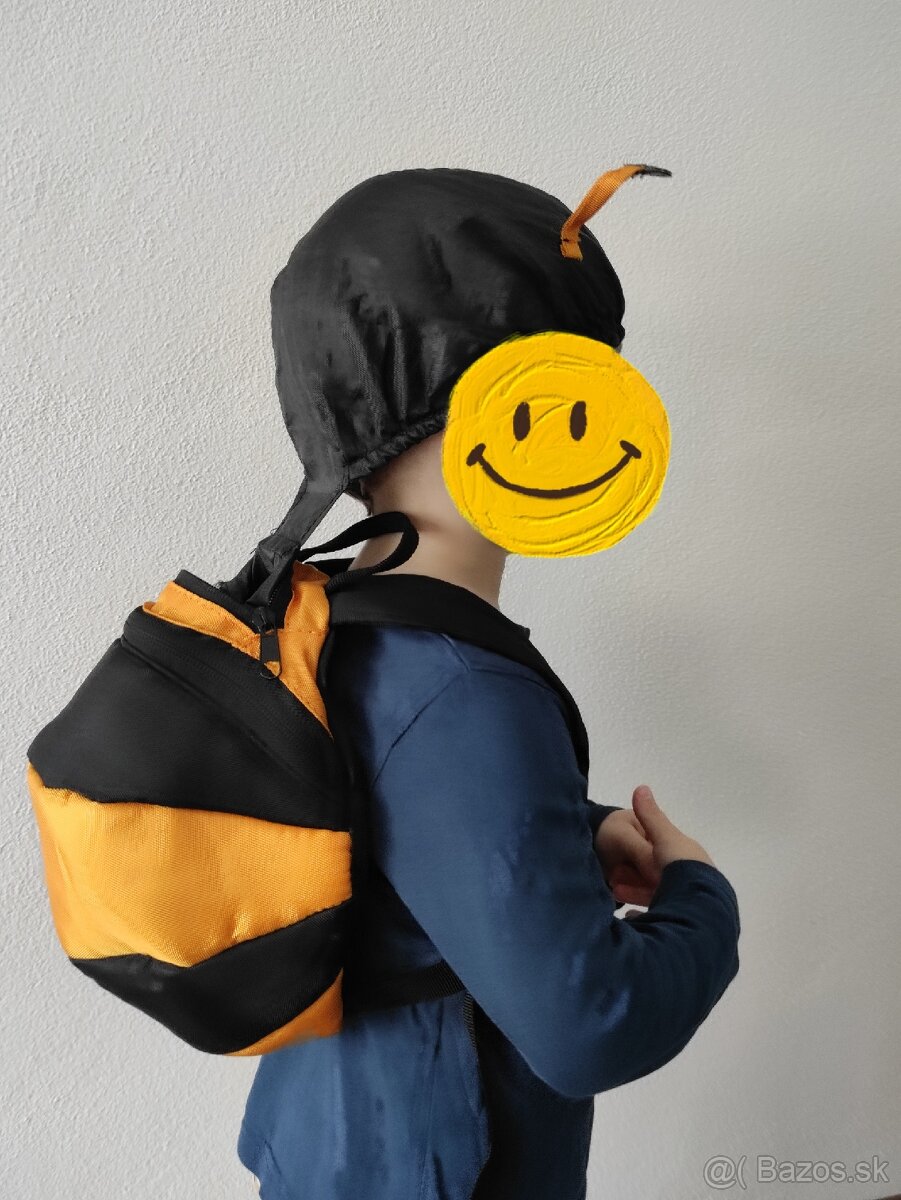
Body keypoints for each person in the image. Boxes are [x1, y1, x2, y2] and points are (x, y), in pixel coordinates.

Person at [236, 426, 741, 1200]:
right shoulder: (464, 686)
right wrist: (700, 894)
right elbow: (589, 1028)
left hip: (326, 1127)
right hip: (445, 1162)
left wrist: (578, 831)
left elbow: (390, 828)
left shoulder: (324, 616)